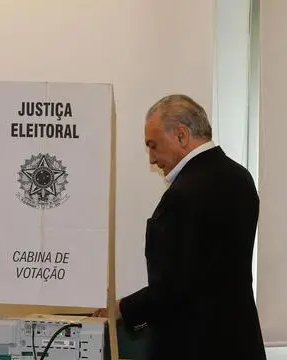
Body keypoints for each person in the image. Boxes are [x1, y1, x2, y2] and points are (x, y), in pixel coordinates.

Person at [95, 94, 266, 359]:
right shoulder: (241, 178)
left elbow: (174, 287)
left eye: (153, 145)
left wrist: (119, 308)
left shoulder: (183, 195)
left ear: (181, 136)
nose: (151, 158)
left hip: (193, 345)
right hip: (240, 342)